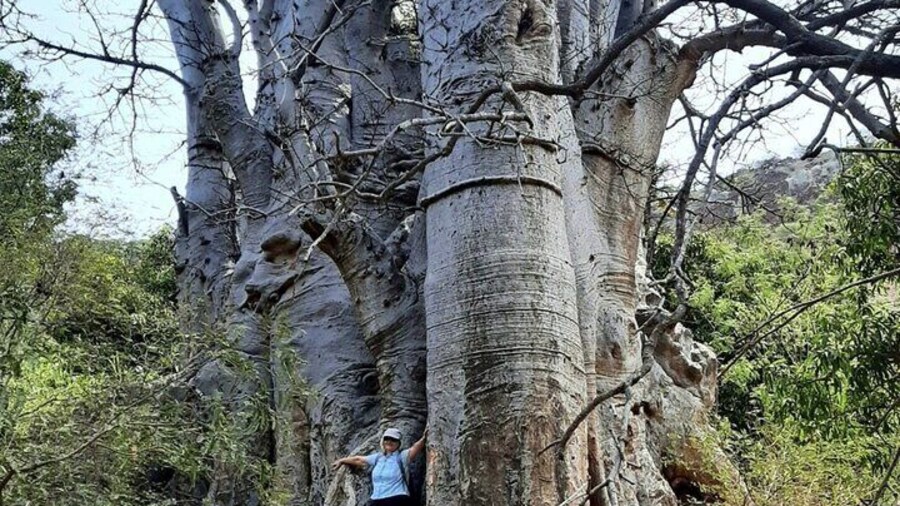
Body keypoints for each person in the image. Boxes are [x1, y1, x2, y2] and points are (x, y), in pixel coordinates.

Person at [332, 427, 427, 506]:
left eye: (393, 439)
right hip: (376, 499)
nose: (389, 441)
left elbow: (415, 447)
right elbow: (358, 459)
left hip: (396, 498)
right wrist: (342, 460)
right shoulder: (378, 457)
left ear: (398, 443)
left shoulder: (402, 456)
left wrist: (424, 438)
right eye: (387, 438)